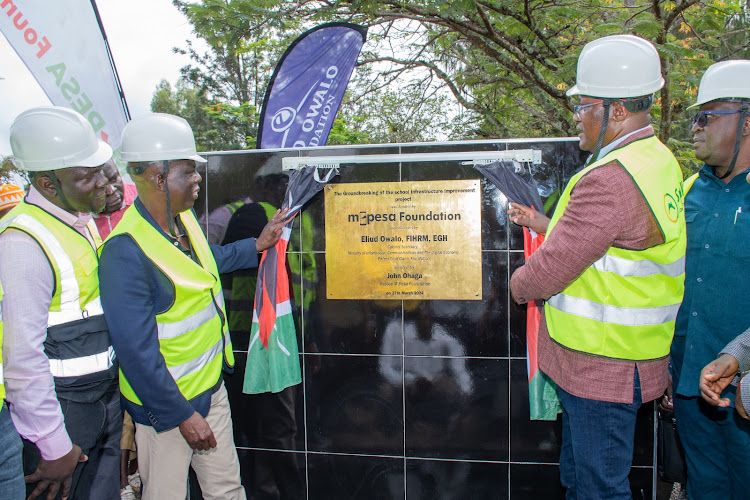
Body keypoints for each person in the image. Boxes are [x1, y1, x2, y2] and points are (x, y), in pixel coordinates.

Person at [508, 35, 686, 499]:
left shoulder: (610, 179)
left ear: (617, 110)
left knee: (597, 490)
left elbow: (553, 267)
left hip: (601, 366)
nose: (577, 117)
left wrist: (518, 284)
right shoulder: (657, 160)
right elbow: (606, 246)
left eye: (584, 105)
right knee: (583, 480)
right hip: (624, 357)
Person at [98, 113, 292, 500]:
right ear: (157, 177)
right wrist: (182, 415)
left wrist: (256, 245)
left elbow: (207, 262)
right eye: (188, 172)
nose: (198, 179)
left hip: (210, 390)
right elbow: (136, 354)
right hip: (167, 411)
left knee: (226, 490)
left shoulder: (182, 221)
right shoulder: (124, 251)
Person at [0, 106, 120, 500]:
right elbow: (22, 358)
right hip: (61, 417)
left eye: (99, 170)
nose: (102, 182)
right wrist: (53, 446)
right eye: (86, 177)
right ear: (48, 185)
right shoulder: (22, 242)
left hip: (97, 403)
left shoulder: (77, 220)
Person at [668, 60, 750, 500]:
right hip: (690, 385)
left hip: (745, 391)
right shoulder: (685, 191)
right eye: (695, 117)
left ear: (748, 122)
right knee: (705, 488)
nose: (695, 127)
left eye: (708, 116)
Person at [92, 159, 138, 239]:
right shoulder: (81, 220)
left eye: (114, 179)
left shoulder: (144, 198)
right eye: (101, 187)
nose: (111, 190)